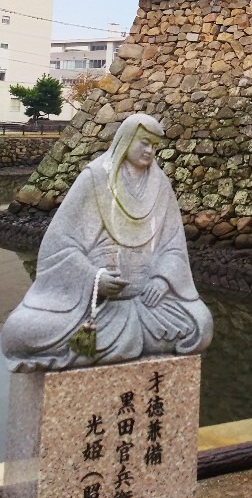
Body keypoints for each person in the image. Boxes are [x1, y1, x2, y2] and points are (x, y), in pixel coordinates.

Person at [1, 114, 213, 371]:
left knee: (201, 323)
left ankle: (110, 344)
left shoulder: (161, 185)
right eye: (144, 142)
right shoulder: (95, 178)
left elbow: (173, 246)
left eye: (154, 146)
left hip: (145, 304)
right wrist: (94, 279)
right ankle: (118, 342)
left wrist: (162, 279)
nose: (149, 151)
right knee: (20, 333)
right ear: (126, 139)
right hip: (94, 307)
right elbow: (59, 244)